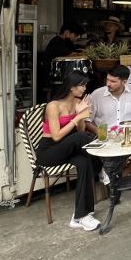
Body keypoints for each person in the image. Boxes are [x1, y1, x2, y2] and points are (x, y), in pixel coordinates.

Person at [36, 71, 103, 231]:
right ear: (72, 87)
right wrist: (76, 117)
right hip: (50, 151)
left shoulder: (77, 102)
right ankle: (102, 166)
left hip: (69, 147)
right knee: (81, 137)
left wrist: (80, 114)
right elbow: (57, 136)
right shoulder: (53, 106)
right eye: (82, 85)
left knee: (85, 163)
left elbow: (79, 129)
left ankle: (81, 216)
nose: (85, 88)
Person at [42, 21, 84, 86]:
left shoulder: (63, 42)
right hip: (54, 78)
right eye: (75, 35)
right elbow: (71, 55)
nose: (75, 38)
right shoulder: (57, 42)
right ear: (67, 32)